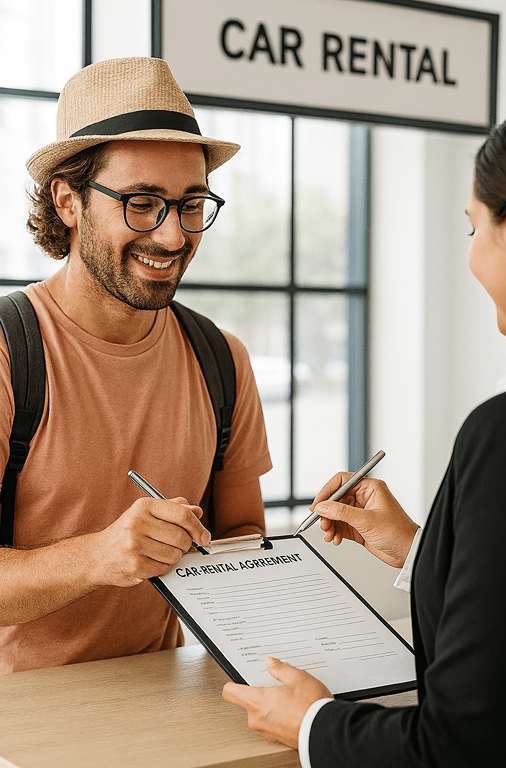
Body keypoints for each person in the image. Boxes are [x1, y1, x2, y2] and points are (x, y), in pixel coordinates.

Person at [223, 115, 506, 766]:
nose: (470, 253)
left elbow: (460, 746)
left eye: (473, 227)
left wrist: (313, 725)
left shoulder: (501, 432)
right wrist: (419, 548)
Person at [0, 57, 271, 673]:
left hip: (160, 701)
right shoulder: (9, 353)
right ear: (68, 202)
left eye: (191, 204)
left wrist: (292, 554)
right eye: (142, 203)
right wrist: (100, 556)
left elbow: (239, 537)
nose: (173, 237)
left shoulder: (222, 359)